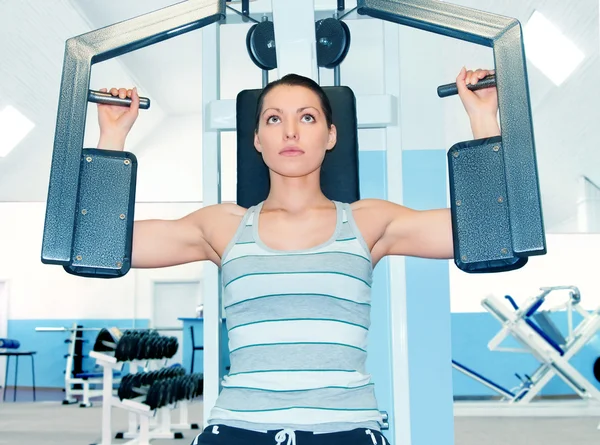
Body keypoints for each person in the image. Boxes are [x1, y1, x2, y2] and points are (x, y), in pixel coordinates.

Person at [96, 67, 499, 445]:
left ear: (330, 135)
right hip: (240, 426)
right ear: (256, 139)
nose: (290, 131)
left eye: (307, 118)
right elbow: (105, 244)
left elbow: (486, 232)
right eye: (274, 119)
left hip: (344, 428)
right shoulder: (221, 226)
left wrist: (484, 118)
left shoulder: (369, 221)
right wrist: (112, 135)